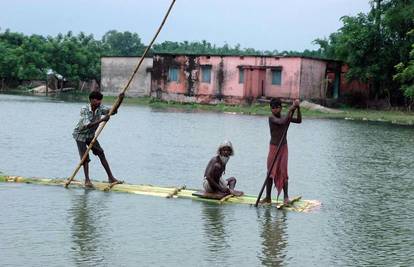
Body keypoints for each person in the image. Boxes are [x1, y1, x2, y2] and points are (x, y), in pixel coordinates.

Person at [72, 91, 124, 188]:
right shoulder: (84, 109)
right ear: (91, 100)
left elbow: (113, 111)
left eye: (100, 100)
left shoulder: (100, 108)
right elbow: (88, 125)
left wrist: (120, 100)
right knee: (85, 158)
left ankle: (111, 177)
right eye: (97, 100)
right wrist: (102, 120)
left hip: (91, 135)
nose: (99, 102)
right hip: (80, 135)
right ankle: (87, 180)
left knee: (101, 153)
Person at [261, 98, 301, 204]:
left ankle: (286, 197)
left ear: (280, 108)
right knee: (270, 172)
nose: (274, 110)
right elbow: (282, 122)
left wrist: (297, 108)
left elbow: (299, 121)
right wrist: (291, 109)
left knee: (283, 171)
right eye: (272, 108)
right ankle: (268, 197)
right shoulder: (271, 118)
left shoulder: (285, 116)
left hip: (283, 148)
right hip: (273, 148)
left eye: (276, 107)